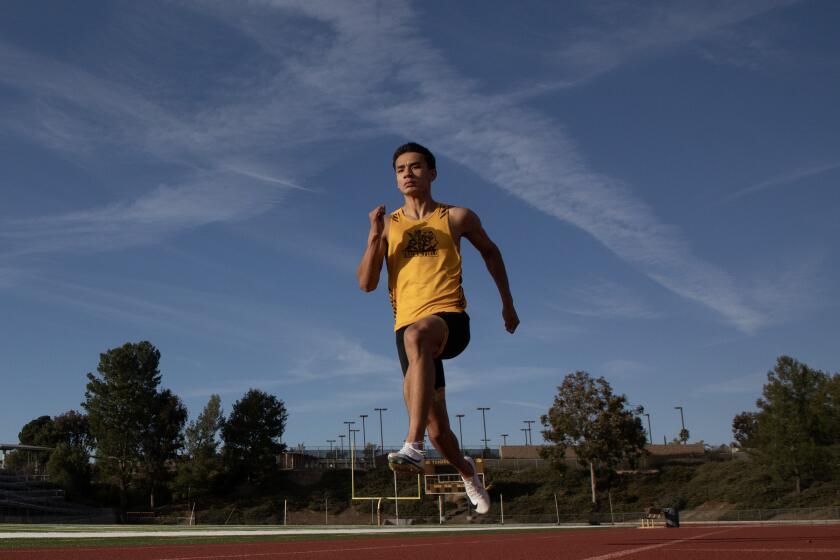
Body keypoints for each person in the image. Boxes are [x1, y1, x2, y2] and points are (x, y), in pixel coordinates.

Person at [356, 142, 519, 515]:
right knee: (439, 431)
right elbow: (366, 283)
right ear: (396, 180)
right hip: (407, 329)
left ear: (432, 173)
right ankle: (468, 475)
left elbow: (491, 252)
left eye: (415, 167)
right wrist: (372, 236)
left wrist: (507, 303)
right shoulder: (389, 227)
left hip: (449, 320)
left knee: (419, 335)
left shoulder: (456, 217)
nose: (407, 173)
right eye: (400, 169)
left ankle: (411, 446)